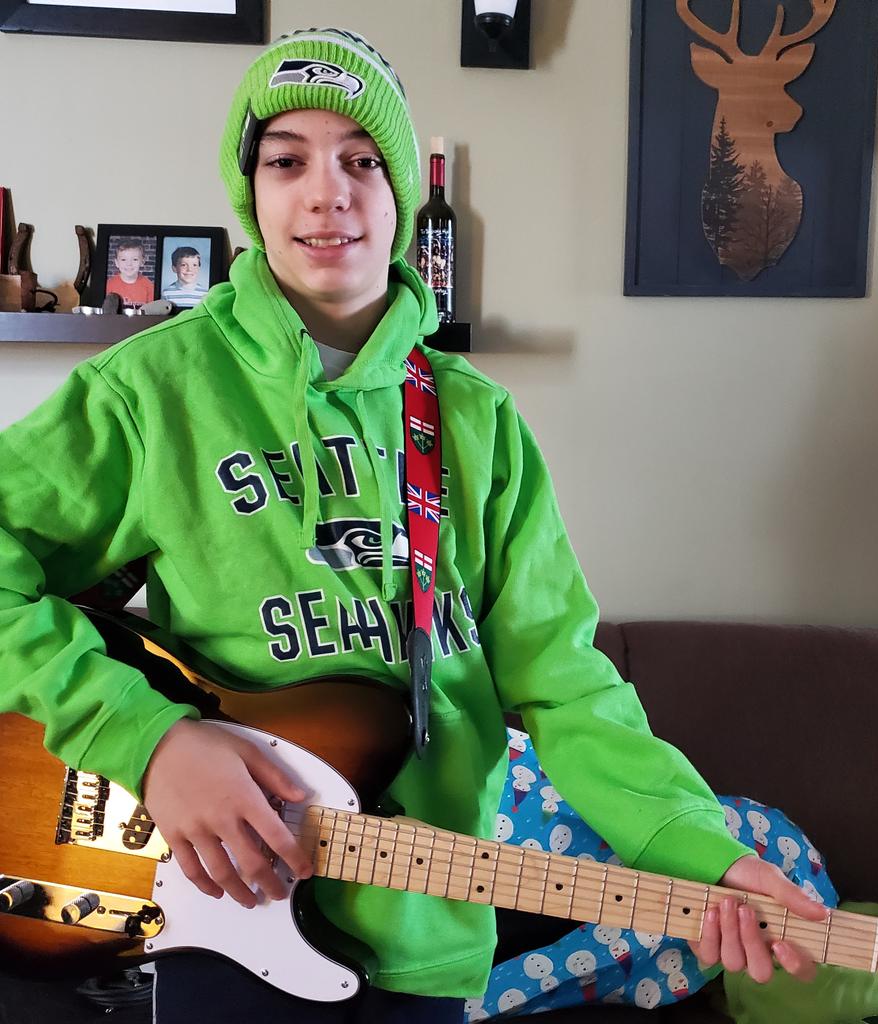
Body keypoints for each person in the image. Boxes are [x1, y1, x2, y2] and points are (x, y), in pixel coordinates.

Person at [0, 28, 826, 1024]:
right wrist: (150, 739)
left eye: (361, 161)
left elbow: (566, 685)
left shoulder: (476, 421)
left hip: (429, 936)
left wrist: (703, 850)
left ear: (399, 194)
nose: (325, 192)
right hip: (220, 908)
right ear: (247, 188)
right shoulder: (150, 390)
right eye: (287, 160)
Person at [106, 237, 155, 307]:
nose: (129, 264)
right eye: (123, 260)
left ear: (142, 262)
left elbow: (152, 312)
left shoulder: (149, 286)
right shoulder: (109, 285)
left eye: (135, 259)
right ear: (116, 263)